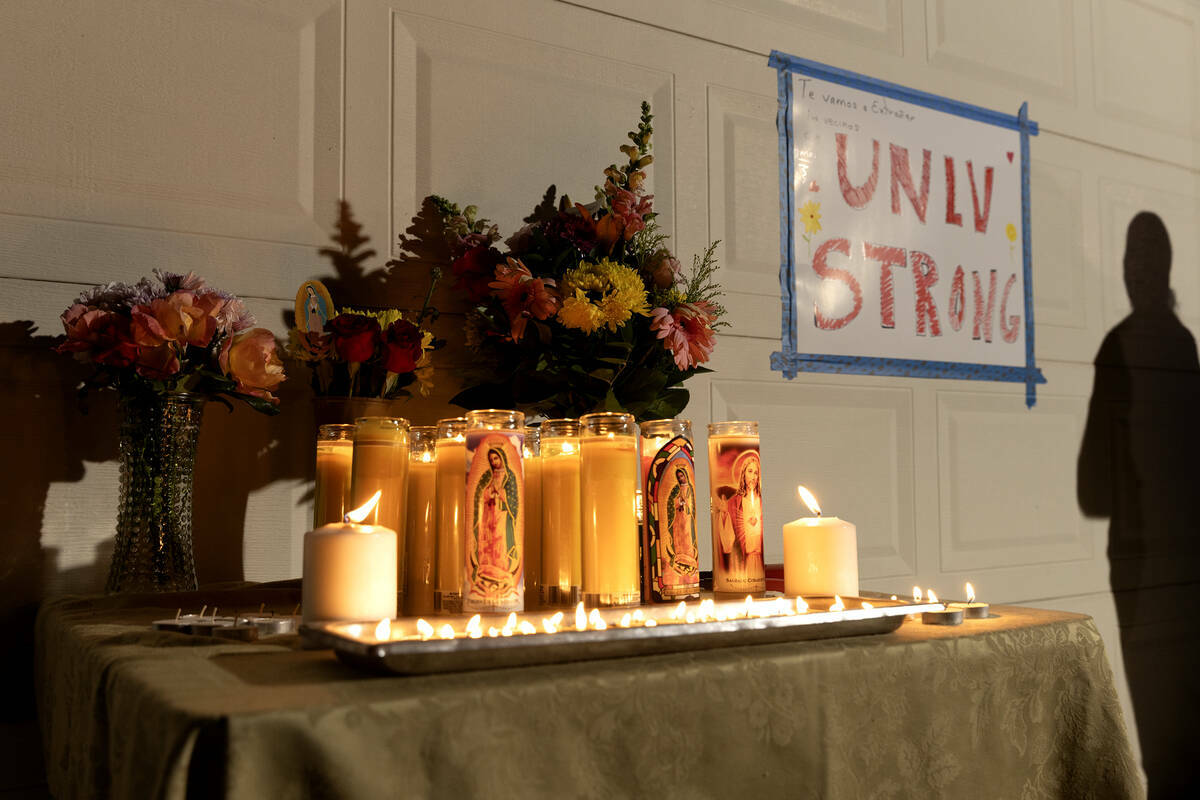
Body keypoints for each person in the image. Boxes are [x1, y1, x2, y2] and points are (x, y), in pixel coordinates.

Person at [472, 446, 518, 594]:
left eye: (496, 458)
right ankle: (486, 569)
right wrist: (488, 493)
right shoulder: (488, 476)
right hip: (488, 514)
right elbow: (480, 493)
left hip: (501, 514)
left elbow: (513, 499)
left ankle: (501, 571)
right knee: (488, 541)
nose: (494, 462)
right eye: (491, 460)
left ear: (502, 457)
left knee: (499, 542)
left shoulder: (509, 476)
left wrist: (502, 493)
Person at [719, 451, 763, 574]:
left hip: (759, 559)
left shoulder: (761, 500)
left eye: (756, 473)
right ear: (743, 473)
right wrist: (723, 514)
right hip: (743, 561)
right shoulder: (733, 502)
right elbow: (727, 541)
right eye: (750, 471)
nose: (753, 477)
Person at [663, 466, 698, 582]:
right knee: (678, 536)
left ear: (686, 475)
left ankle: (688, 558)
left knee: (687, 536)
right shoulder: (676, 489)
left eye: (682, 475)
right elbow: (673, 501)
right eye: (678, 477)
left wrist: (685, 503)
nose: (681, 478)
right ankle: (679, 557)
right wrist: (678, 501)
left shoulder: (690, 488)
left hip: (686, 517)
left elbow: (690, 502)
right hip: (678, 518)